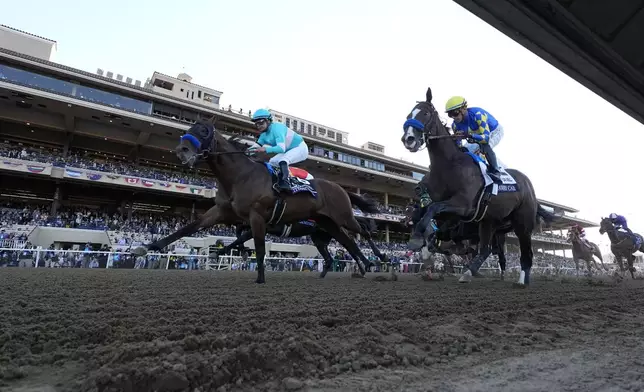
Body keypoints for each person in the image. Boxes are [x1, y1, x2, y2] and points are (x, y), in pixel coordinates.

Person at [445, 96, 504, 182]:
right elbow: (459, 146)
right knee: (464, 151)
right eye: (450, 114)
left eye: (455, 113)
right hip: (476, 134)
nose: (453, 117)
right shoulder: (455, 125)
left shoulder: (478, 115)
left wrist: (469, 135)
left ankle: (496, 171)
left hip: (493, 132)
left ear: (464, 109)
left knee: (484, 146)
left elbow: (486, 138)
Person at [249, 109, 309, 192]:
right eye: (256, 124)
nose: (258, 126)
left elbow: (281, 148)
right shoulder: (263, 135)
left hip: (300, 148)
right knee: (272, 162)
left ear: (268, 121)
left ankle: (285, 182)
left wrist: (265, 149)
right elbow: (255, 147)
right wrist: (245, 153)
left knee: (283, 160)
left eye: (261, 122)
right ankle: (275, 181)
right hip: (288, 150)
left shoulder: (277, 128)